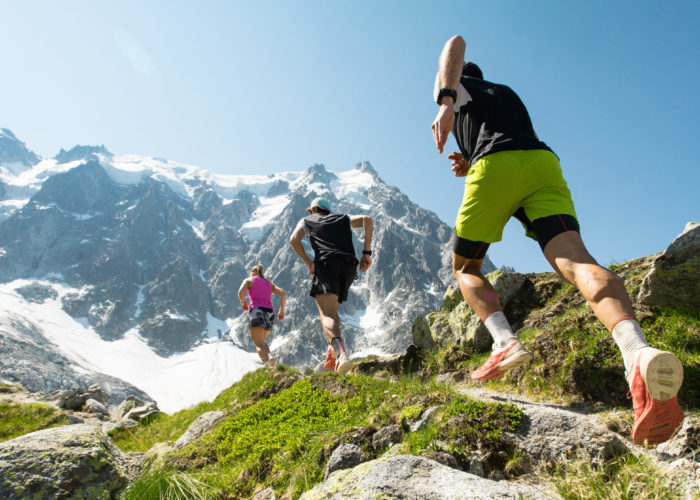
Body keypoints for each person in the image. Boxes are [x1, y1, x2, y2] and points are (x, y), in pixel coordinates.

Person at [430, 35, 683, 445]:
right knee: (576, 261)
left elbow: (453, 44)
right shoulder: (504, 93)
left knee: (465, 268)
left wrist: (444, 100)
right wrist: (469, 157)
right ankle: (637, 352)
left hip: (496, 168)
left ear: (460, 81)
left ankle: (504, 342)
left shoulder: (456, 87)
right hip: (541, 164)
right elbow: (498, 135)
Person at [289, 197, 373, 375]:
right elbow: (367, 219)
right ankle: (332, 351)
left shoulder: (306, 220)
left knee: (326, 313)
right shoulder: (342, 218)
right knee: (332, 311)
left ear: (313, 210)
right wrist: (366, 253)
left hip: (327, 264)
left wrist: (308, 262)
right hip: (349, 266)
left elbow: (294, 240)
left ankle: (341, 353)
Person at [238, 264, 286, 367]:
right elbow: (283, 293)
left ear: (253, 273)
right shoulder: (268, 283)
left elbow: (241, 291)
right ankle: (269, 357)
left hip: (257, 310)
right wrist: (281, 311)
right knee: (262, 342)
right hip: (270, 313)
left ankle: (267, 365)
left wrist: (243, 302)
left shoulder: (249, 280)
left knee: (258, 344)